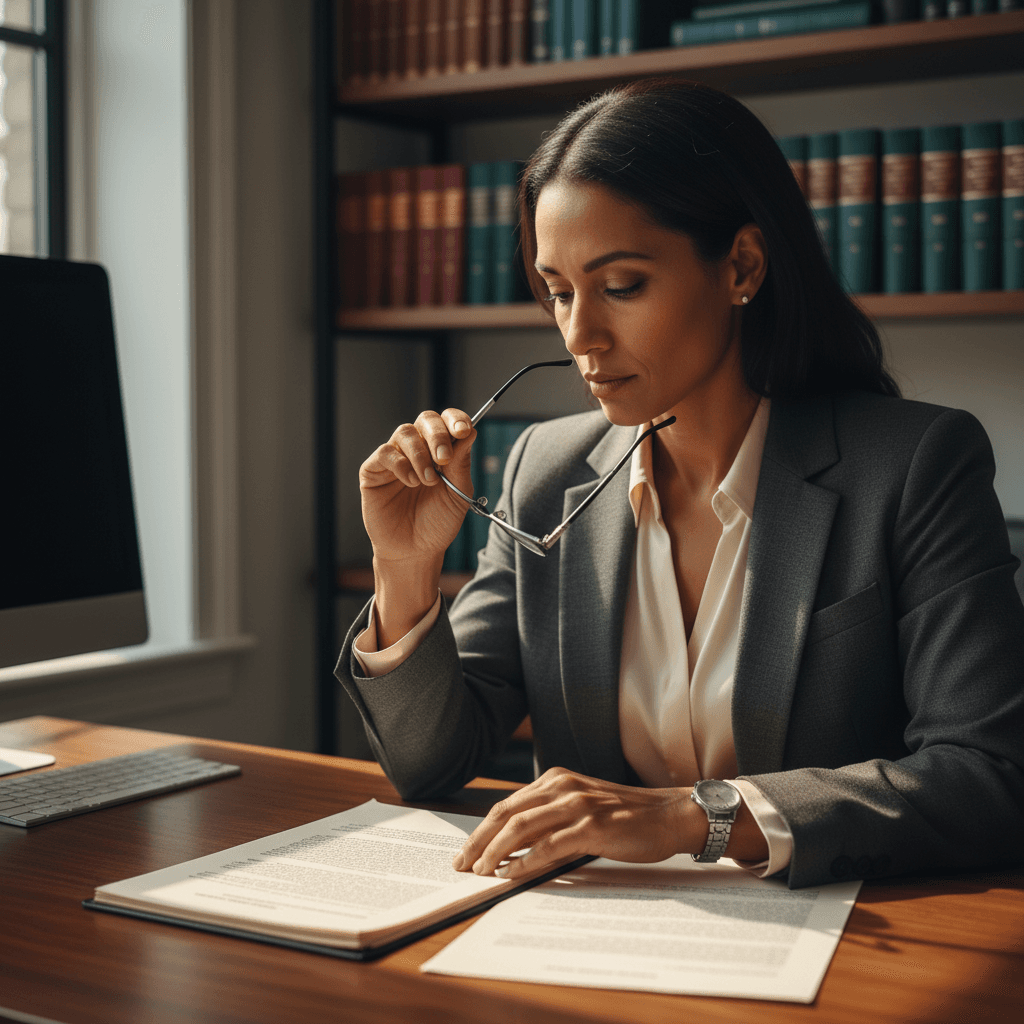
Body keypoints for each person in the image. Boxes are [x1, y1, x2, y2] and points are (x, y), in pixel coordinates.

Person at [336, 78, 1024, 889]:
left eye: (620, 286)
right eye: (557, 292)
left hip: (846, 952)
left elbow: (991, 777)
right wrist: (404, 568)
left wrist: (695, 816)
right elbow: (428, 766)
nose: (580, 334)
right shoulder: (541, 468)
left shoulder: (915, 465)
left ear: (741, 264)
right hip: (584, 942)